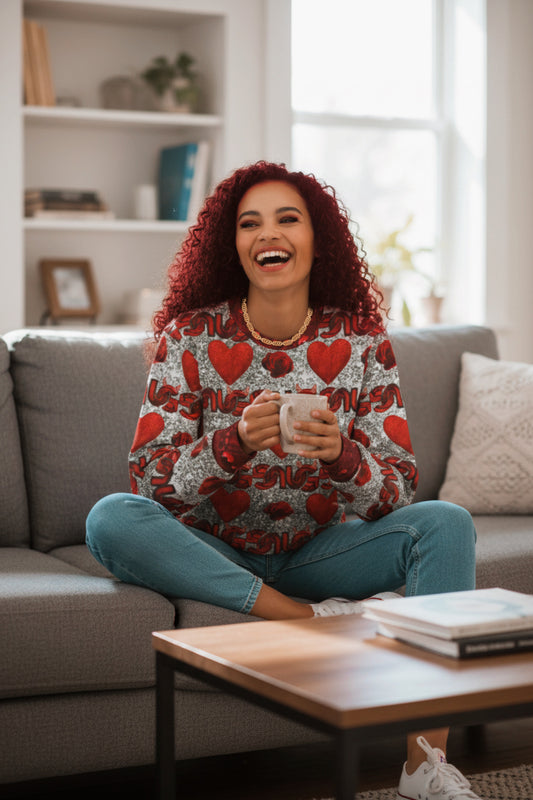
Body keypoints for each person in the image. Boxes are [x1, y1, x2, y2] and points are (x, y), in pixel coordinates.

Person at [86, 161, 480, 800]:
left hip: (321, 553)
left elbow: (400, 489)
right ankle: (305, 620)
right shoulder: (190, 337)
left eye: (287, 218)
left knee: (447, 522)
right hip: (211, 551)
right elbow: (150, 480)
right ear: (233, 245)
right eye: (250, 223)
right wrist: (231, 444)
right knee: (109, 517)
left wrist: (343, 456)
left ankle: (424, 765)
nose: (268, 233)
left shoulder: (359, 339)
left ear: (317, 238)